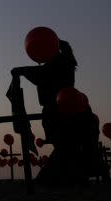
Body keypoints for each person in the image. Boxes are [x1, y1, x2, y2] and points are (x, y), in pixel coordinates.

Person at [12, 39, 91, 185]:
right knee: (66, 145)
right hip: (67, 108)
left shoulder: (59, 62)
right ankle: (74, 177)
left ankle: (48, 177)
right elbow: (41, 73)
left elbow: (41, 74)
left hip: (57, 110)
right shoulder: (65, 61)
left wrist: (21, 70)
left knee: (63, 145)